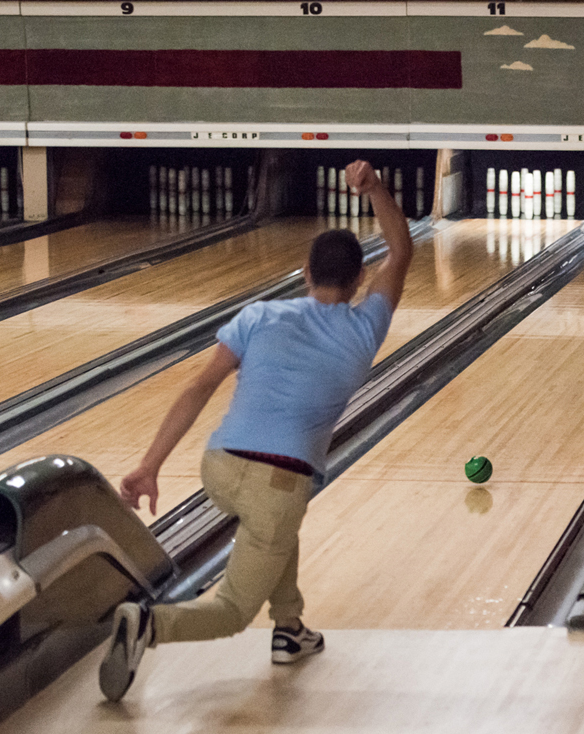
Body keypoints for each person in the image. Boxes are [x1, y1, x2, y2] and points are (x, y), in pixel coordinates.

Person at [99, 159, 413, 702]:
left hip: (218, 466)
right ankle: (149, 625)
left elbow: (198, 388)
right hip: (281, 482)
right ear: (360, 279)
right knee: (231, 609)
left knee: (275, 530)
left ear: (305, 273)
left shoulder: (259, 315)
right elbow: (403, 247)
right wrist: (375, 188)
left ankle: (290, 629)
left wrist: (148, 466)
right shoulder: (365, 328)